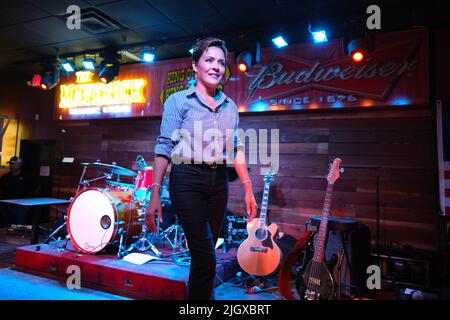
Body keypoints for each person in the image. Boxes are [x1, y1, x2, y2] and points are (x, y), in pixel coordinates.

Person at [145, 37, 257, 300]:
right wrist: (154, 193)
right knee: (206, 254)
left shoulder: (230, 107)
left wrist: (249, 190)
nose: (216, 66)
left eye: (220, 62)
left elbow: (236, 149)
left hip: (218, 182)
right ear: (195, 65)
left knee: (204, 254)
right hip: (186, 179)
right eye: (209, 60)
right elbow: (164, 147)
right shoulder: (178, 101)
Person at [0, 156, 31, 227]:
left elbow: (34, 189)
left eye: (13, 164)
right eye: (10, 164)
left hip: (20, 207)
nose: (11, 166)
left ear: (20, 164)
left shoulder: (26, 177)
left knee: (18, 227)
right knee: (5, 226)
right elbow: (1, 190)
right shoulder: (5, 177)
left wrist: (27, 205)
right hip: (6, 207)